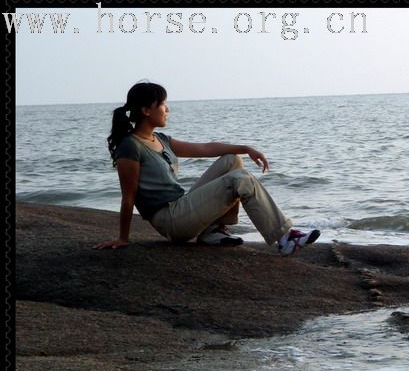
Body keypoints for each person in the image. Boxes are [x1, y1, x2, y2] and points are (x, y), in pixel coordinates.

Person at [94, 81, 319, 255]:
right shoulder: (130, 147)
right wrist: (123, 238)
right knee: (241, 179)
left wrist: (245, 148)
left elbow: (204, 148)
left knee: (231, 160)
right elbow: (128, 197)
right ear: (146, 110)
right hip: (170, 220)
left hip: (180, 206)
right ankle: (285, 238)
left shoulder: (161, 139)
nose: (167, 109)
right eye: (162, 104)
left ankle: (213, 231)